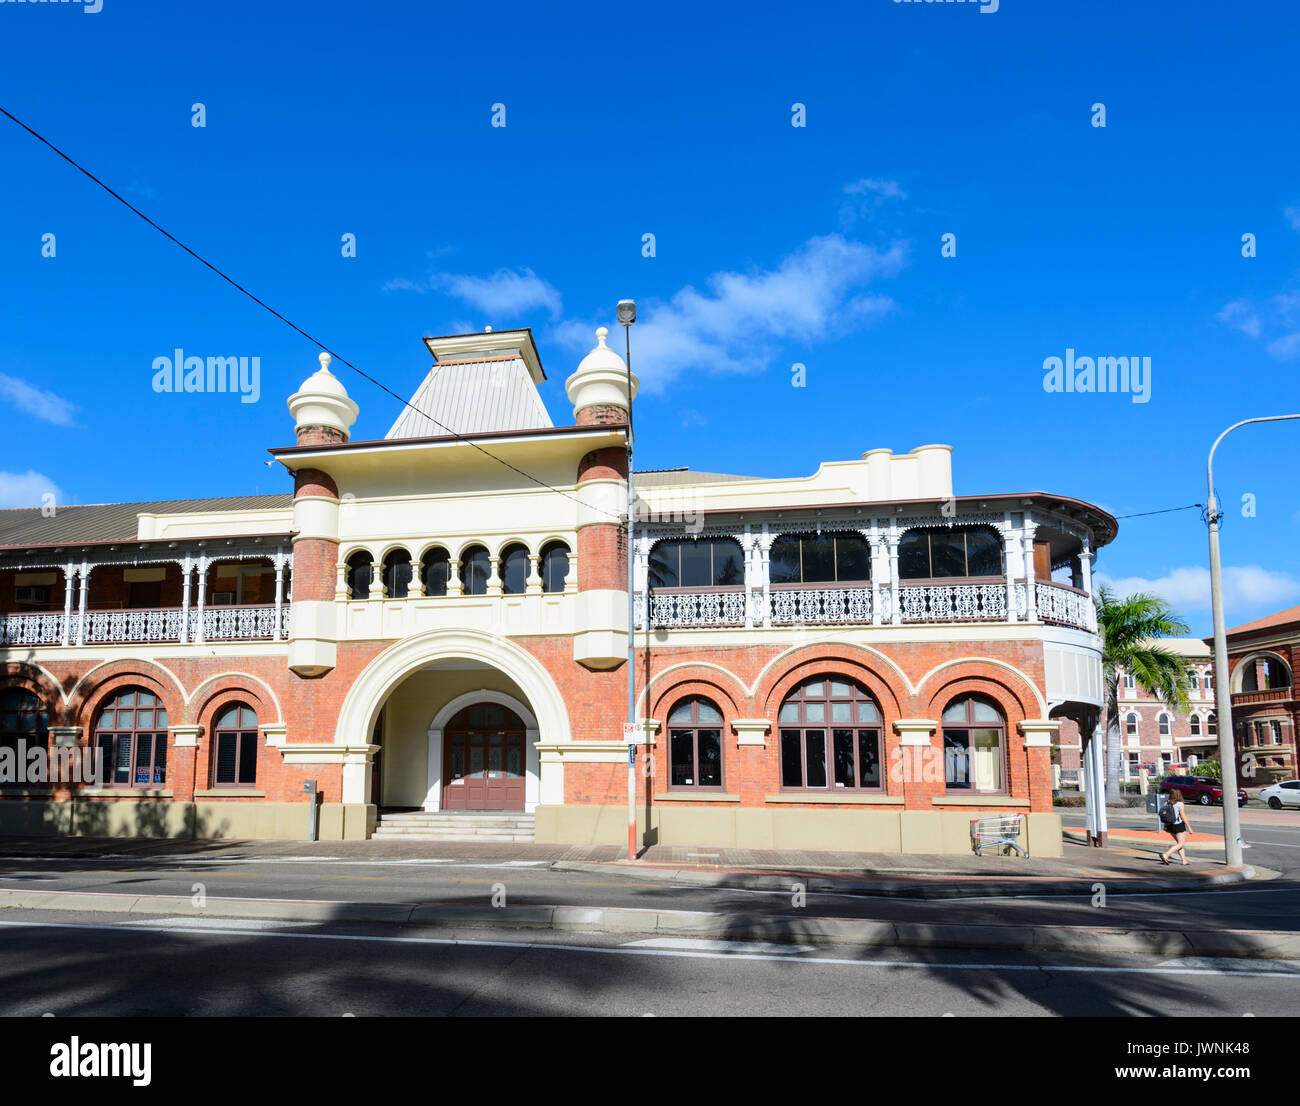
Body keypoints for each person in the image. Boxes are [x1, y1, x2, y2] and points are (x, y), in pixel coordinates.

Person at [1159, 788, 1191, 866]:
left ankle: (1184, 860)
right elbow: (1183, 816)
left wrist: (1165, 826)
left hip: (1170, 825)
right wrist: (1189, 827)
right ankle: (1166, 855)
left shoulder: (1166, 803)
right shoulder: (1180, 804)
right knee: (1180, 843)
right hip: (1178, 825)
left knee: (1179, 843)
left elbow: (1165, 815)